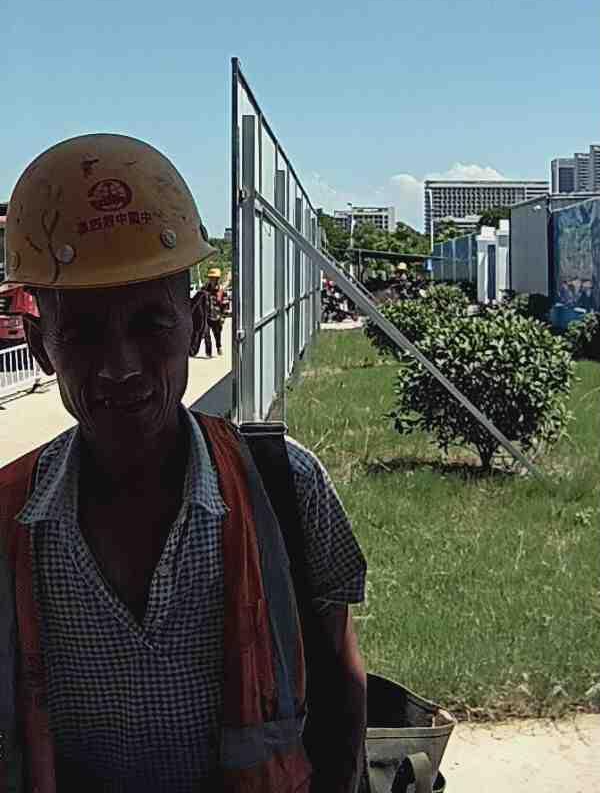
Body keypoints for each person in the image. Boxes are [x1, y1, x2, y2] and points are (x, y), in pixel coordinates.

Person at [0, 134, 367, 793]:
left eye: (151, 324)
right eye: (83, 332)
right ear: (40, 344)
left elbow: (342, 687)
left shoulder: (285, 487)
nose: (121, 366)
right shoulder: (8, 517)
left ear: (196, 322)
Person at [201, 267, 226, 356]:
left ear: (217, 279)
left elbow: (225, 304)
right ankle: (208, 352)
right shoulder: (204, 289)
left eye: (214, 278)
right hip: (206, 316)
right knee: (206, 334)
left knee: (217, 334)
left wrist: (223, 317)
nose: (212, 280)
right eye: (211, 278)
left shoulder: (221, 290)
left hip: (217, 316)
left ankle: (218, 346)